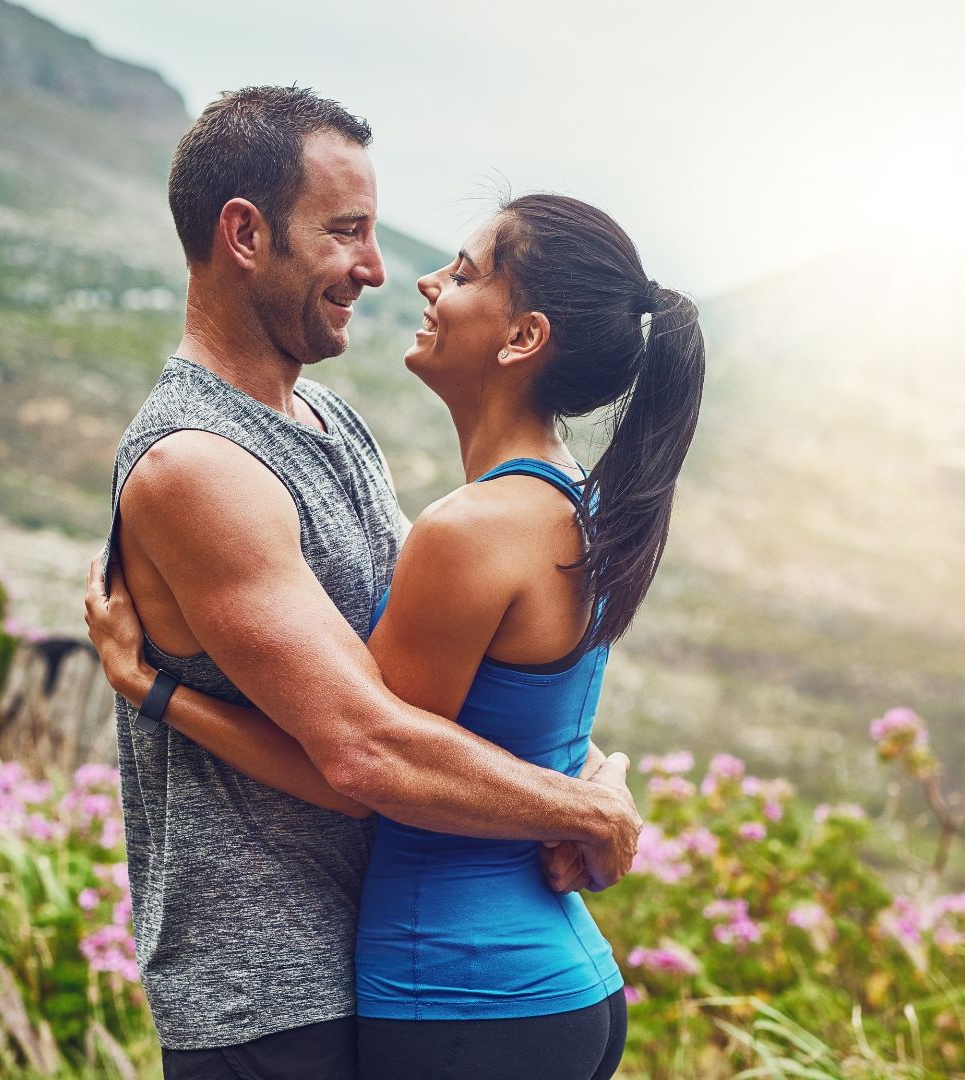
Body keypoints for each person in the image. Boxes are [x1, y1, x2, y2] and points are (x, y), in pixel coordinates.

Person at [91, 86, 645, 1080]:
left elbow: (461, 679)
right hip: (271, 1005)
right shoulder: (196, 468)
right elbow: (363, 746)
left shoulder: (335, 427)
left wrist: (589, 778)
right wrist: (578, 810)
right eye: (346, 232)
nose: (378, 269)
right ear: (246, 233)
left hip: (408, 975)